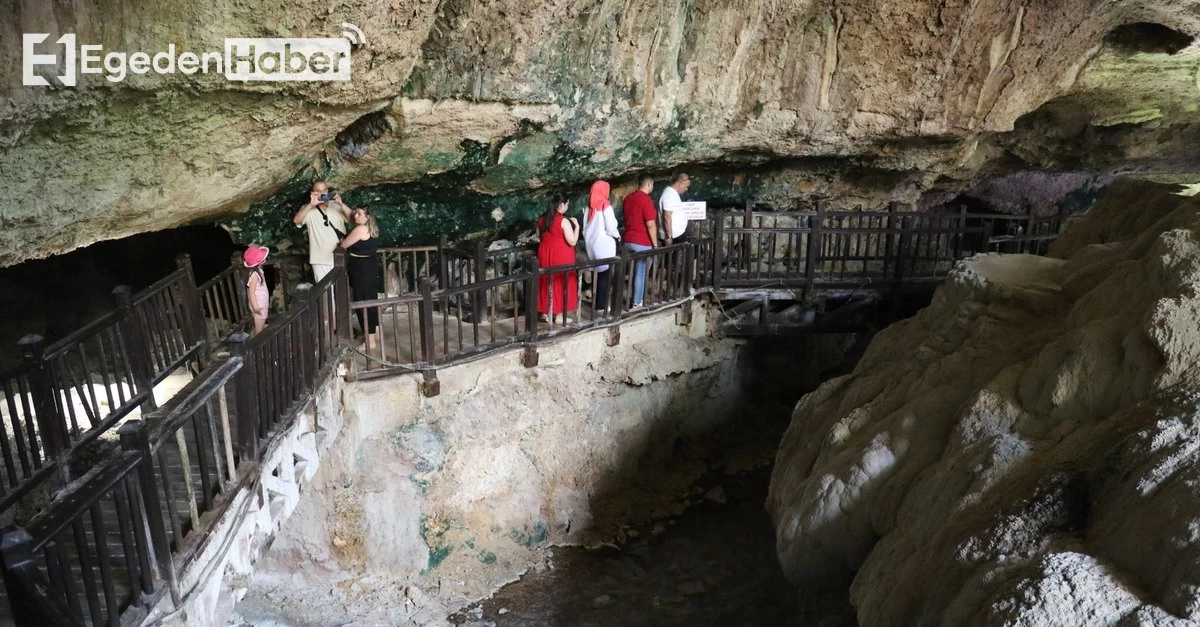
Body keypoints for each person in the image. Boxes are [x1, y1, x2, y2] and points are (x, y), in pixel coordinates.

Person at [339, 206, 381, 351]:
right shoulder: (372, 228)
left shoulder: (360, 230)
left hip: (361, 270)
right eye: (355, 212)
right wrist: (341, 204)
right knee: (371, 300)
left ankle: (370, 341)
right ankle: (375, 335)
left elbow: (343, 245)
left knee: (362, 301)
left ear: (367, 216)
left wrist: (341, 239)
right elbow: (352, 215)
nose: (355, 215)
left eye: (359, 213)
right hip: (370, 267)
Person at [293, 180, 350, 282]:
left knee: (341, 292)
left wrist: (341, 204)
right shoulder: (307, 209)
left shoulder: (336, 205)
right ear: (312, 193)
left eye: (324, 190)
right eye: (318, 191)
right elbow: (296, 220)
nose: (322, 193)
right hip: (320, 259)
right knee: (324, 293)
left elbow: (353, 219)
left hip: (340, 256)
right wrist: (311, 205)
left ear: (328, 191)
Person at [537, 192, 580, 322]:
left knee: (546, 281)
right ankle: (560, 316)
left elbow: (538, 236)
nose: (567, 207)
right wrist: (577, 227)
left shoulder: (541, 219)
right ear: (561, 205)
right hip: (561, 254)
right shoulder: (563, 221)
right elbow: (572, 241)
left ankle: (545, 312)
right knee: (561, 282)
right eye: (567, 204)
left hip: (545, 252)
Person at [582, 180, 620, 312]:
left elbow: (585, 228)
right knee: (604, 274)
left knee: (596, 274)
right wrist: (616, 235)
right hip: (603, 244)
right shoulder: (605, 205)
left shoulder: (589, 207)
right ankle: (601, 305)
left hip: (591, 244)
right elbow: (611, 226)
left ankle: (595, 300)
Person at [621, 175, 658, 308]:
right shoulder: (645, 200)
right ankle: (637, 302)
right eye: (652, 185)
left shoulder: (628, 198)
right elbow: (650, 224)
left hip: (627, 240)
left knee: (632, 271)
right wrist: (655, 244)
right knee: (640, 272)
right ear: (649, 185)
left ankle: (633, 298)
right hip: (642, 242)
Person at [243, 245, 270, 336]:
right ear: (258, 262)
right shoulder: (254, 275)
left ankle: (252, 340)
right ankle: (256, 347)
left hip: (261, 303)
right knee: (260, 329)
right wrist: (255, 307)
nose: (264, 259)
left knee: (259, 325)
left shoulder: (258, 271)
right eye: (262, 259)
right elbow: (250, 292)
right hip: (259, 306)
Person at [660, 172, 692, 245]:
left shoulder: (672, 193)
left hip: (676, 234)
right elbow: (667, 216)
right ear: (680, 184)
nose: (686, 189)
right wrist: (669, 237)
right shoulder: (669, 195)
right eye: (686, 186)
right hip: (674, 236)